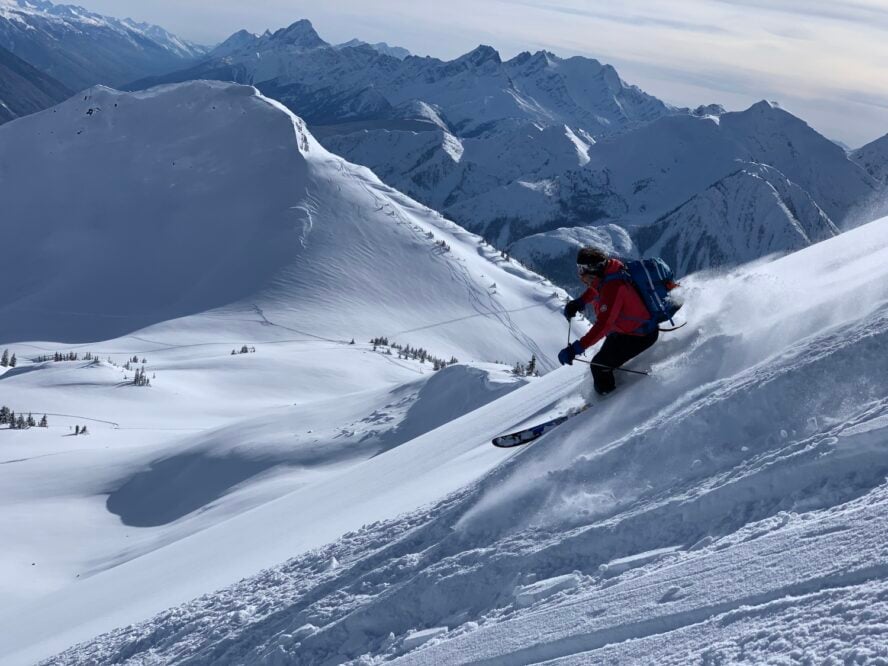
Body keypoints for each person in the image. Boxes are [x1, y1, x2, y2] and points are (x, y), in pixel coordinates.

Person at [558, 247, 659, 395]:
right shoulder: (609, 273)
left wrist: (576, 349)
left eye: (581, 269)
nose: (580, 274)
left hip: (639, 336)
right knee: (603, 362)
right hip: (630, 331)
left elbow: (603, 325)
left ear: (592, 269)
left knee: (598, 366)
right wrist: (580, 302)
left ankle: (608, 402)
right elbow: (596, 289)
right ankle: (610, 391)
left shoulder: (613, 288)